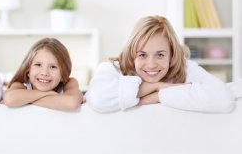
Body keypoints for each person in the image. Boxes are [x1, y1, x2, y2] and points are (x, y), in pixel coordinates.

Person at [85, 15, 235, 113]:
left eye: (160, 55)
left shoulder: (184, 67)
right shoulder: (112, 68)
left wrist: (158, 96)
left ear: (171, 55)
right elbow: (97, 99)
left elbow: (223, 100)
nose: (151, 65)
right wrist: (154, 86)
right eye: (142, 55)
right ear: (132, 55)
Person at [2, 37, 83, 111]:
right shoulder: (20, 86)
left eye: (53, 67)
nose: (44, 73)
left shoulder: (69, 83)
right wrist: (48, 94)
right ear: (28, 70)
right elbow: (9, 99)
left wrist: (26, 100)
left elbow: (71, 103)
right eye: (38, 65)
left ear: (63, 74)